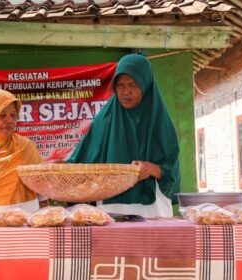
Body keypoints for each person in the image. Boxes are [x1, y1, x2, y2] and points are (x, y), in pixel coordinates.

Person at [67, 54, 180, 217]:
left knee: (154, 242)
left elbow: (172, 171)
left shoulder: (159, 121)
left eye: (133, 84)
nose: (126, 91)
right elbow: (82, 160)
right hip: (111, 205)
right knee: (113, 242)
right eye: (120, 85)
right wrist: (61, 168)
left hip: (152, 206)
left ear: (145, 84)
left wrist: (151, 169)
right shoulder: (105, 119)